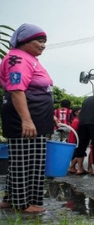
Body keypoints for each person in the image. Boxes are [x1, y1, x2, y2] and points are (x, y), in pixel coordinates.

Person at [0, 23, 54, 213]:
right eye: (39, 40)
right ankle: (28, 204)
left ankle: (11, 198)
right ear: (24, 41)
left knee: (19, 160)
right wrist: (27, 120)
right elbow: (16, 90)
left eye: (45, 41)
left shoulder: (26, 58)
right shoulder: (19, 59)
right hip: (27, 117)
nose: (43, 45)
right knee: (31, 161)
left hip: (35, 115)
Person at [67, 107, 86, 175]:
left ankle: (74, 167)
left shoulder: (75, 120)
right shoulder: (77, 121)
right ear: (76, 113)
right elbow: (76, 131)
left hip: (73, 140)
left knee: (77, 154)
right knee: (79, 154)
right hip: (75, 141)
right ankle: (73, 167)